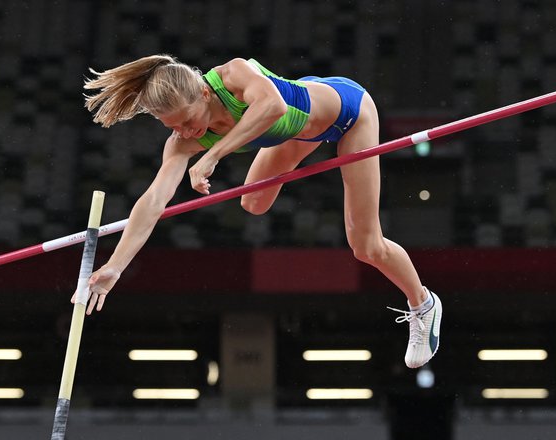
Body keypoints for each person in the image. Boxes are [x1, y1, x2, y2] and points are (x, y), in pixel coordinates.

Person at [75, 54, 442, 369]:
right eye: (173, 127)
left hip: (348, 113)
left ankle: (423, 304)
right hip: (299, 131)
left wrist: (213, 155)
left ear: (204, 92)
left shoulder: (232, 76)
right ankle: (305, 156)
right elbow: (153, 201)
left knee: (366, 247)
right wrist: (115, 267)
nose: (186, 131)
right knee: (253, 202)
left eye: (188, 119)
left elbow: (275, 107)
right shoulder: (182, 141)